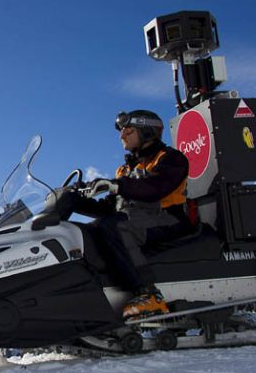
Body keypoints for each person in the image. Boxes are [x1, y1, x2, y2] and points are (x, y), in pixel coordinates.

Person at [60, 109, 190, 320]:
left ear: (147, 131)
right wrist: (75, 201)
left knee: (115, 226)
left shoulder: (171, 159)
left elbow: (155, 188)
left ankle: (148, 294)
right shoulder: (125, 169)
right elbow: (110, 207)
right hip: (136, 218)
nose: (122, 136)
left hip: (168, 218)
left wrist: (116, 186)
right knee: (91, 229)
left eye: (128, 131)